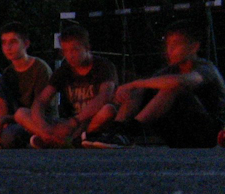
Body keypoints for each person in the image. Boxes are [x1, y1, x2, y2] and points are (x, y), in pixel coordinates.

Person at [86, 20, 225, 148]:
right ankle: (118, 131)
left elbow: (182, 81)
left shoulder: (206, 68)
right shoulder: (169, 70)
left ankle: (131, 131)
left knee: (171, 88)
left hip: (211, 132)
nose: (170, 50)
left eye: (176, 44)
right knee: (141, 89)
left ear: (194, 47)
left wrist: (135, 83)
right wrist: (129, 91)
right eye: (168, 45)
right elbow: (145, 86)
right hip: (180, 129)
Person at [13, 23, 117, 148]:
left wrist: (75, 121)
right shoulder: (64, 70)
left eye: (74, 50)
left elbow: (104, 96)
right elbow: (41, 100)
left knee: (108, 111)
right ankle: (55, 139)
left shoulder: (103, 66)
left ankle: (60, 141)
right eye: (66, 51)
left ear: (87, 48)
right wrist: (42, 125)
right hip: (68, 123)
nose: (70, 55)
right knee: (21, 113)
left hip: (88, 120)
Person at [0, 22, 55, 149]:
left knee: (10, 136)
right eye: (4, 43)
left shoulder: (40, 68)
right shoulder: (8, 72)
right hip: (16, 120)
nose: (8, 47)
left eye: (13, 42)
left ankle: (44, 139)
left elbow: (41, 109)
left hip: (39, 120)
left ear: (26, 44)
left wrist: (7, 119)